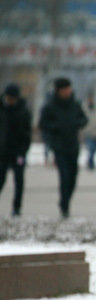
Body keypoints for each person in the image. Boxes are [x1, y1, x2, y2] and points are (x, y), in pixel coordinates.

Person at [38, 77, 88, 218]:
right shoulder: (50, 106)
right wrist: (55, 128)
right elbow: (43, 124)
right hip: (58, 146)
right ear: (58, 90)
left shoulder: (75, 104)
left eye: (69, 88)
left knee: (72, 177)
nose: (68, 91)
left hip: (73, 145)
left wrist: (77, 123)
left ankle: (66, 200)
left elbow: (84, 119)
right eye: (65, 89)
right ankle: (64, 204)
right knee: (64, 176)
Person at [0, 83, 32, 217]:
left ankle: (17, 207)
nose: (10, 100)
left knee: (19, 181)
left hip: (18, 152)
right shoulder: (2, 110)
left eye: (12, 98)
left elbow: (27, 133)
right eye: (8, 98)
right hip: (2, 152)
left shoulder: (24, 111)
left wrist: (23, 151)